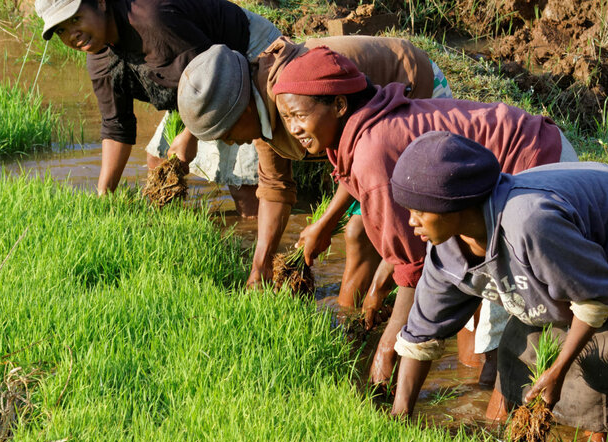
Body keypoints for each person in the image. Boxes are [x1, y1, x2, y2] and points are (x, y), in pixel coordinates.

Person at [270, 47, 578, 389]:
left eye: (298, 115)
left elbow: (415, 268)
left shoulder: (373, 152)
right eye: (286, 118)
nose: (293, 128)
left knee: (504, 332)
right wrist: (339, 240)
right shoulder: (361, 133)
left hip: (535, 166)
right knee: (473, 309)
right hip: (519, 159)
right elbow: (374, 199)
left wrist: (390, 344)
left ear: (340, 106)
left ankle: (492, 424)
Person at [389, 131, 608, 442]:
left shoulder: (530, 223)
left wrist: (559, 370)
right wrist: (399, 418)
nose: (411, 221)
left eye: (420, 211)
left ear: (455, 206)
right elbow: (422, 334)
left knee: (599, 389)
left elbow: (597, 296)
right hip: (569, 267)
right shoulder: (444, 252)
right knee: (512, 365)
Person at [177, 35, 450, 308]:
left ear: (244, 109)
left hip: (412, 91)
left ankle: (355, 319)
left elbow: (364, 158)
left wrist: (326, 223)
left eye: (226, 132)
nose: (228, 142)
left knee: (360, 231)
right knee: (360, 231)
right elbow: (275, 187)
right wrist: (260, 268)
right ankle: (356, 315)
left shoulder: (297, 93)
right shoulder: (266, 108)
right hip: (360, 141)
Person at [34, 0, 280, 217]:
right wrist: (104, 197)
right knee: (157, 160)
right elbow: (116, 126)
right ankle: (174, 228)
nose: (72, 35)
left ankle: (254, 245)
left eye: (76, 19)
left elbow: (213, 78)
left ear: (100, 3)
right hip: (196, 74)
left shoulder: (152, 21)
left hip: (246, 55)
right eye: (61, 30)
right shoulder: (100, 57)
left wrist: (190, 136)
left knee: (245, 190)